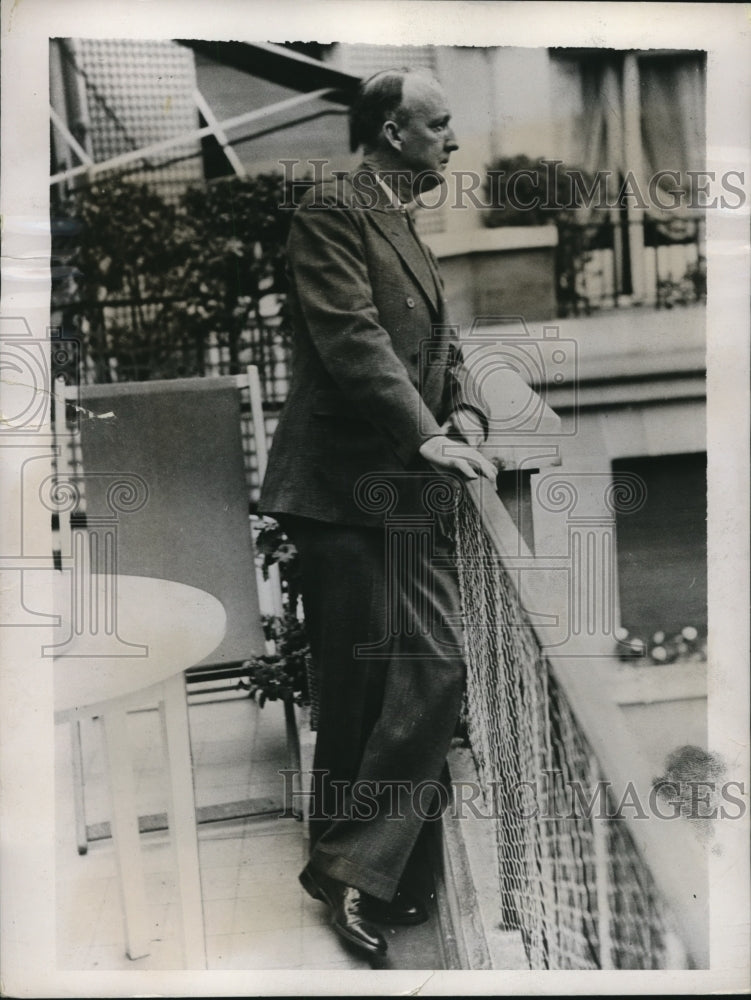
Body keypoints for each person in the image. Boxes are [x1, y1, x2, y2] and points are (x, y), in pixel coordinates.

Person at [259, 67, 496, 958]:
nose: (452, 141)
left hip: (401, 486)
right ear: (393, 131)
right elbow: (352, 337)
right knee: (358, 691)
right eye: (439, 126)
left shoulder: (400, 222)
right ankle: (358, 873)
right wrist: (424, 434)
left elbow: (440, 345)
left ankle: (354, 866)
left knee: (431, 669)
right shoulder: (331, 210)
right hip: (343, 490)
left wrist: (464, 410)